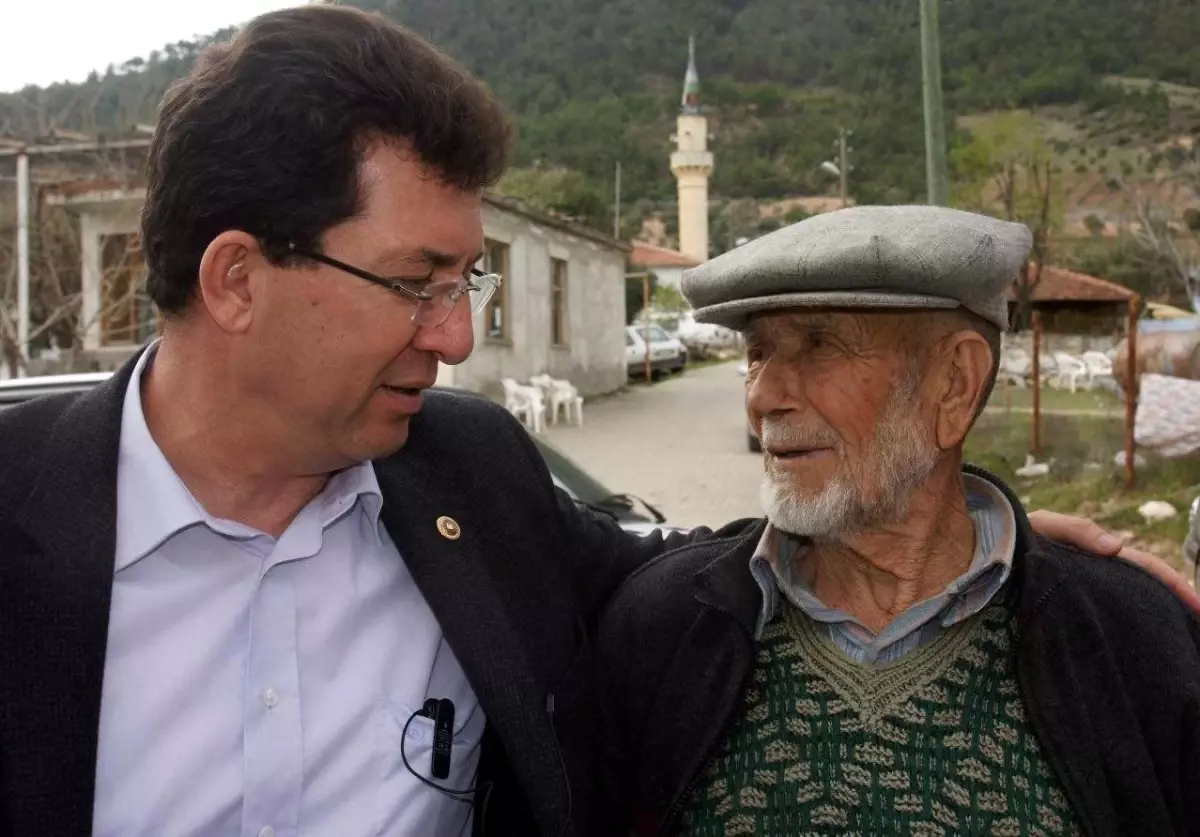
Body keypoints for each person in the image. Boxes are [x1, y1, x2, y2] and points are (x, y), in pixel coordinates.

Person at [0, 10, 1187, 837]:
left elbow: (667, 563)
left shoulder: (467, 479)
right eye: (417, 282)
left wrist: (983, 536)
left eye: (466, 285)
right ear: (238, 279)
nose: (456, 337)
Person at [595, 206, 1200, 837]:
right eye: (757, 353)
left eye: (818, 344)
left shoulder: (1136, 641)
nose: (762, 397)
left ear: (953, 386)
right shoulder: (661, 627)